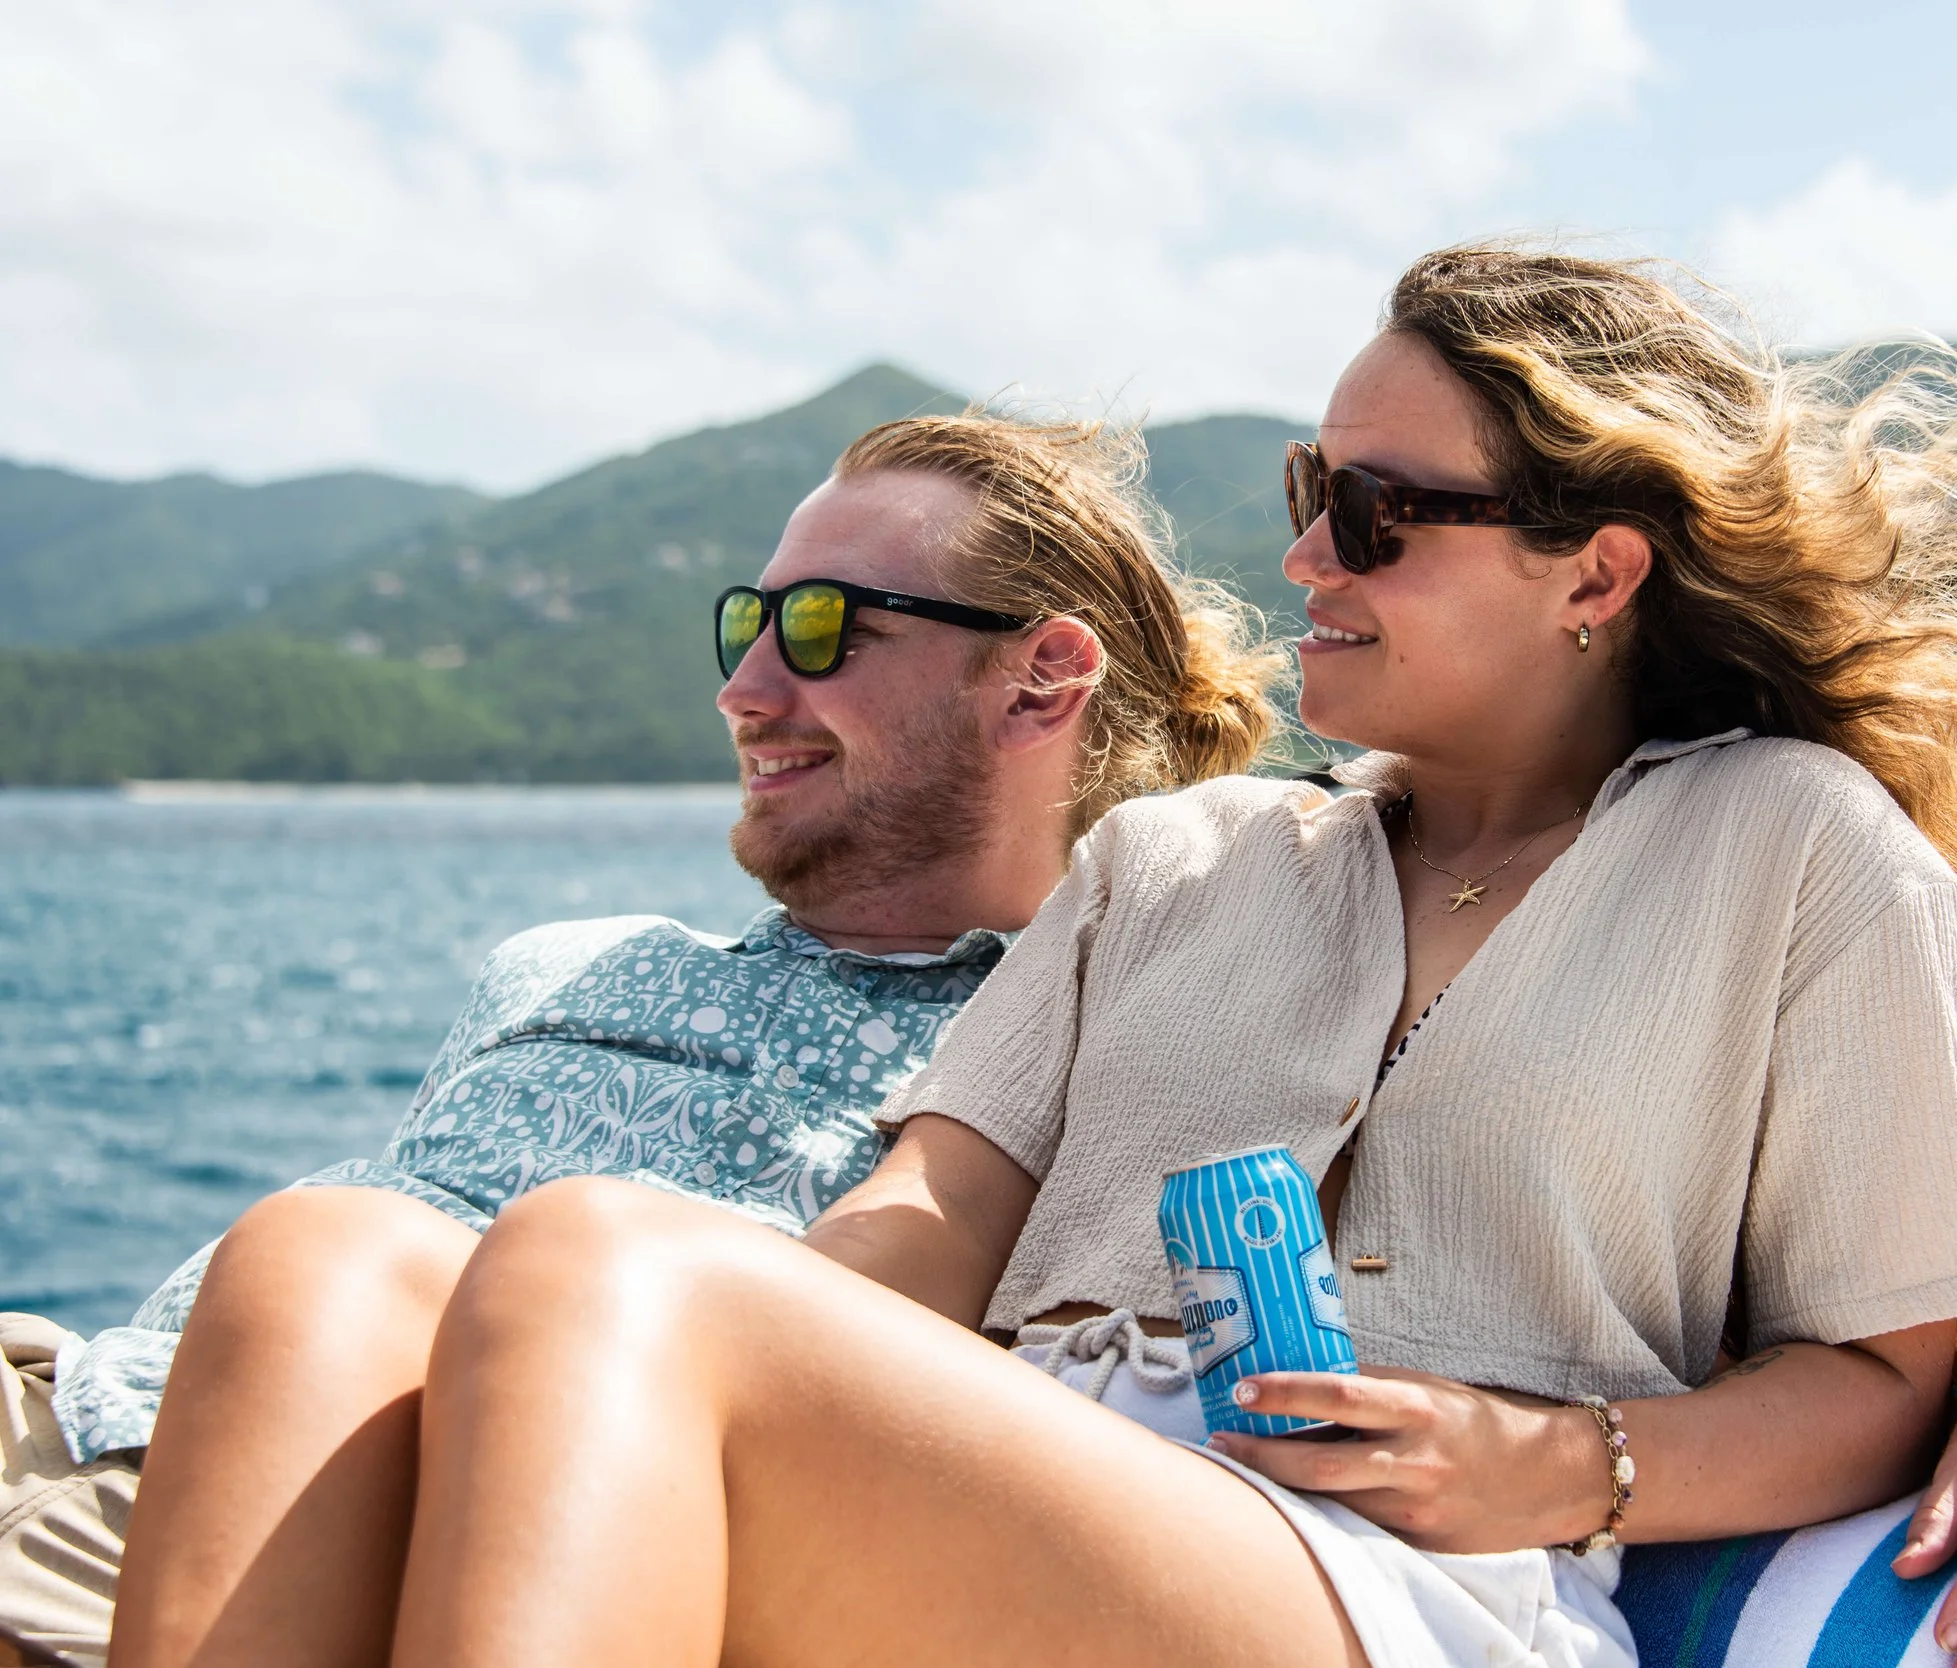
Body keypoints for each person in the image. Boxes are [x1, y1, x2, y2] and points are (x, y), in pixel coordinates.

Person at [360, 245, 1957, 1668]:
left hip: (1407, 1583)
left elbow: (1887, 1370)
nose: (1311, 550)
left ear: (1596, 575)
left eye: (1381, 514)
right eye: (1312, 487)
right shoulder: (1175, 855)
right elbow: (922, 1222)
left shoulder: (1799, 851)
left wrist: (1567, 1464)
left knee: (601, 1259)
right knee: (328, 1264)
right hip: (1034, 1479)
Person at [0, 413, 1283, 1668]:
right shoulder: (563, 959)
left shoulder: (1057, 1050)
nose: (745, 687)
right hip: (81, 1395)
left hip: (294, 1533)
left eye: (823, 627)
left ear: (1039, 680)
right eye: (746, 622)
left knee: (333, 1247)